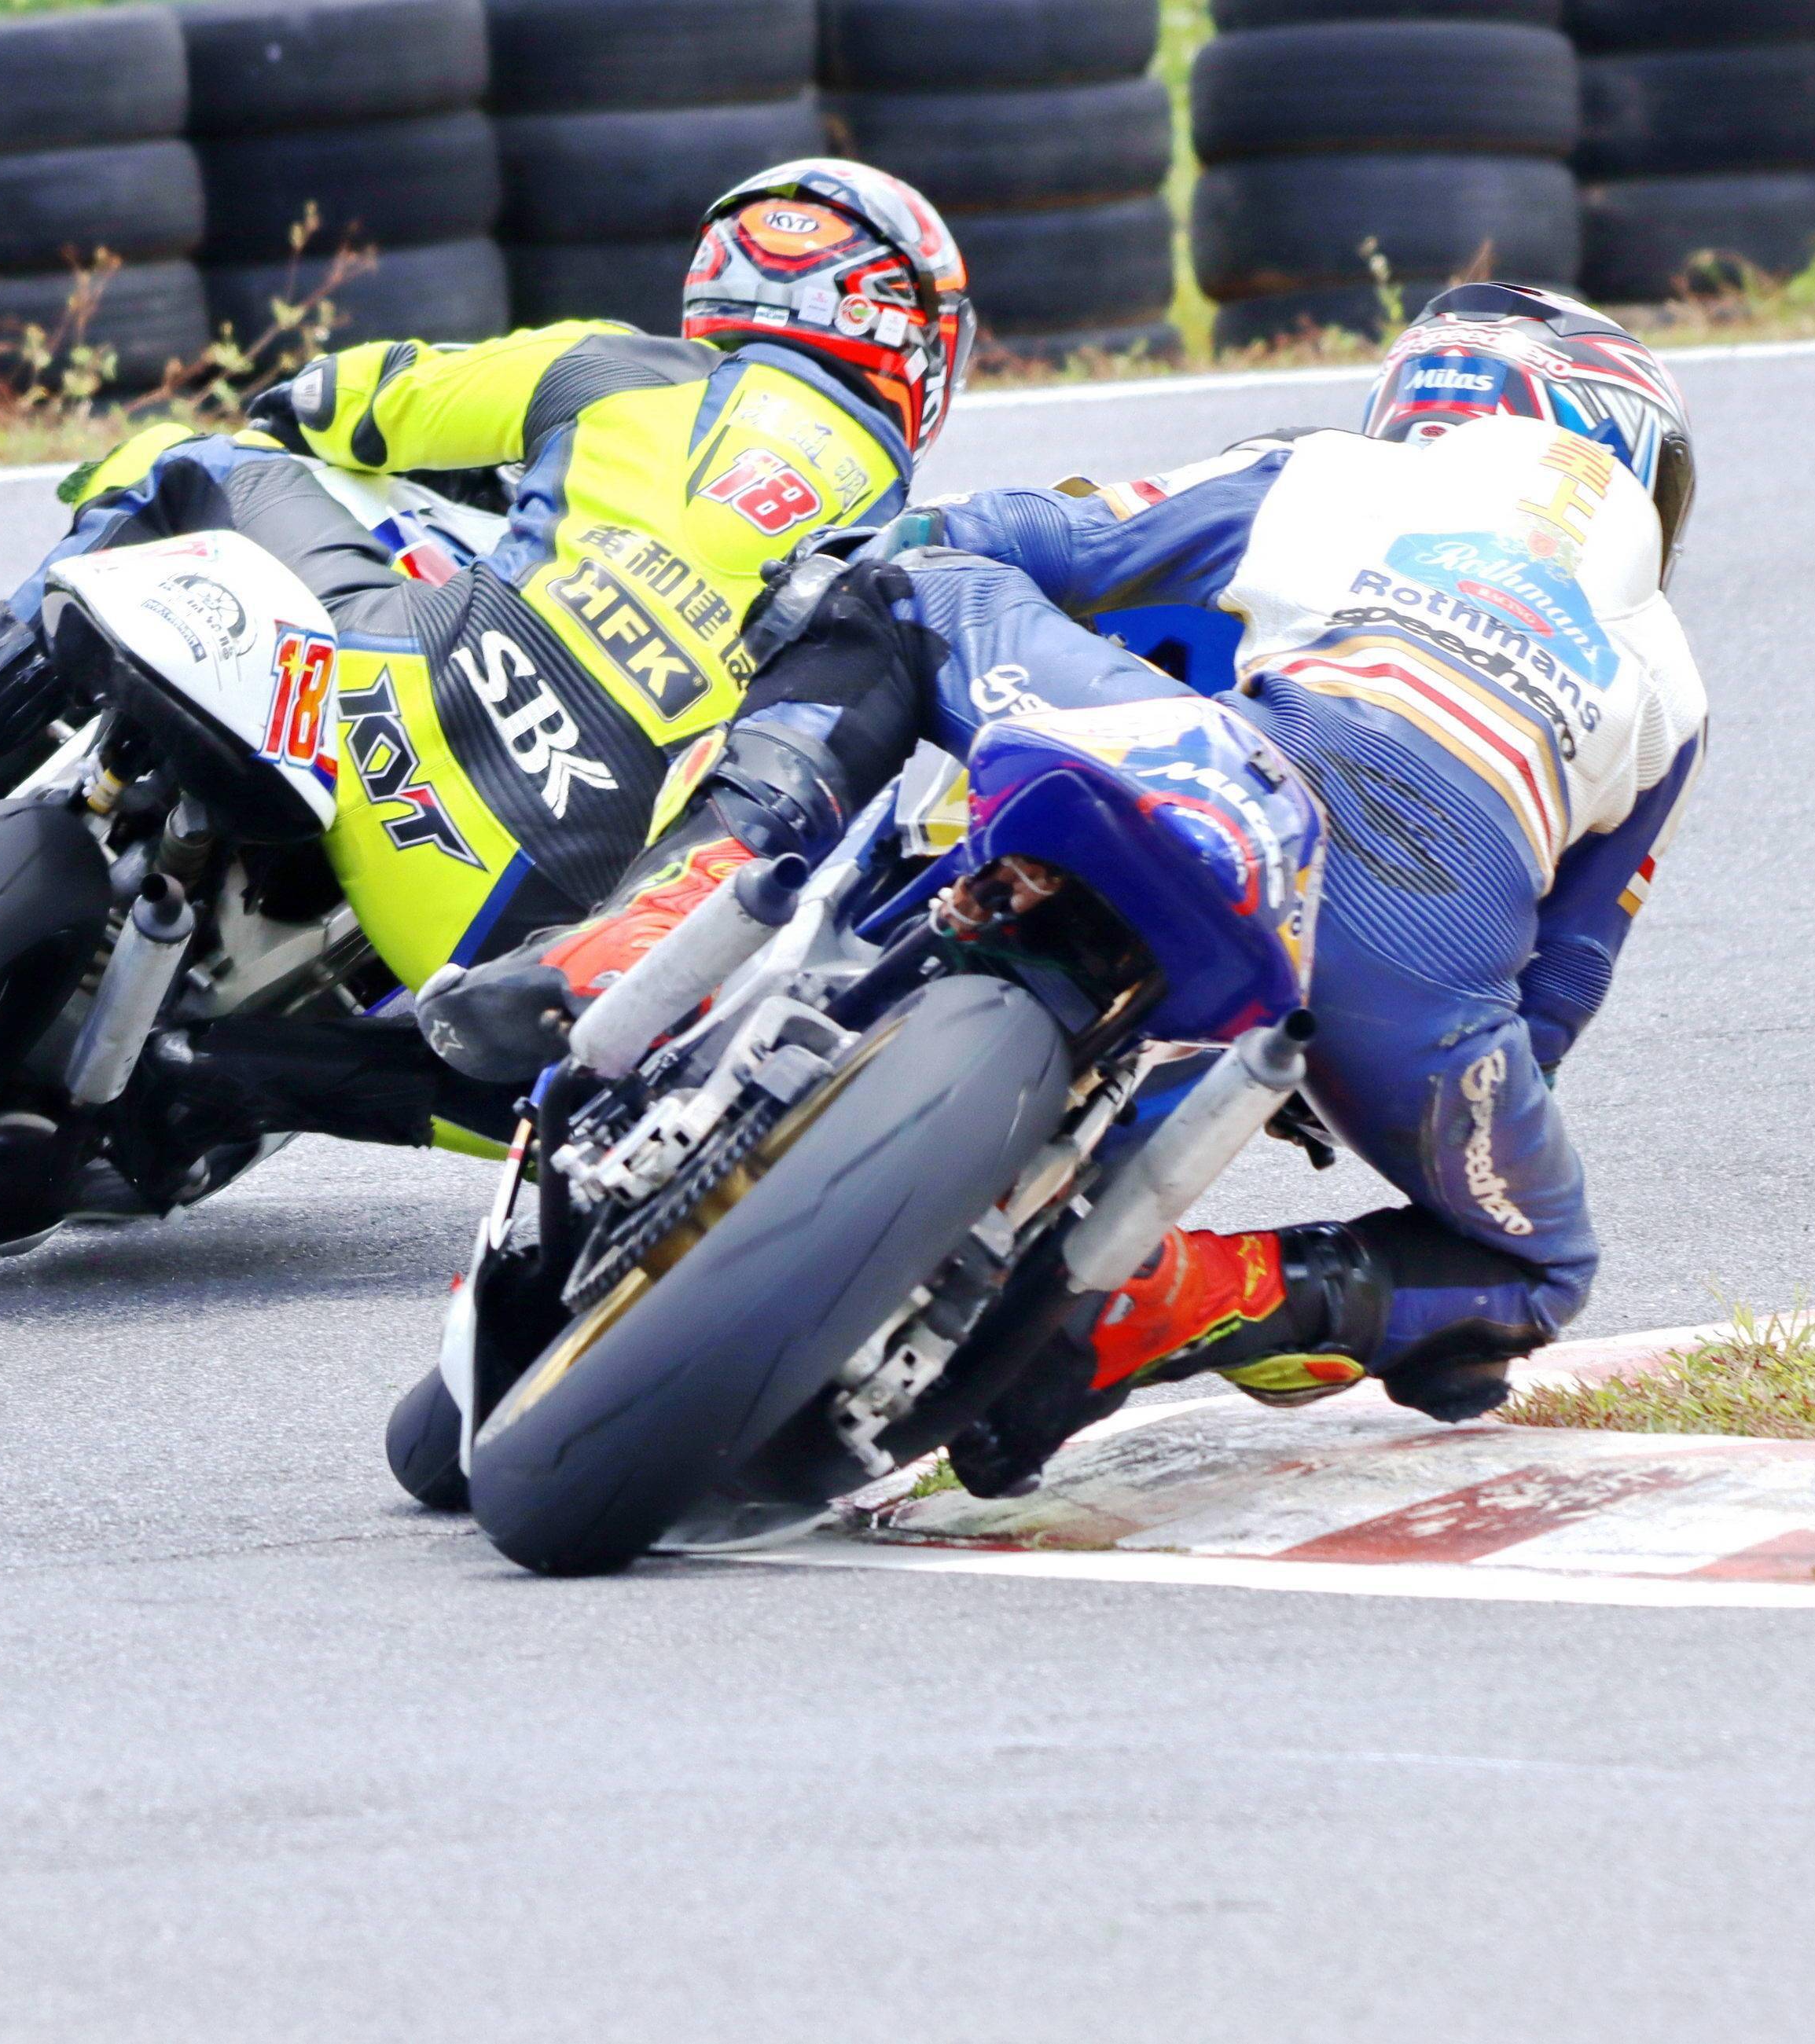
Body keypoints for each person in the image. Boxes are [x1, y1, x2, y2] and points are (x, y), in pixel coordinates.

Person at [427, 283, 1707, 1492]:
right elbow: (1561, 985)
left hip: (1230, 763)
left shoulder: (1337, 471)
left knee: (906, 592)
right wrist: (1365, 1075)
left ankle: (655, 921)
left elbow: (1058, 533)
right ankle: (1176, 1299)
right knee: (1539, 1263)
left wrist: (877, 554)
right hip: (1422, 957)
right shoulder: (1670, 677)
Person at [0, 158, 972, 998]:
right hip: (558, 943)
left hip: (384, 751)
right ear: (914, 343)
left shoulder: (619, 369)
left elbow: (338, 402)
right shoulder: (920, 556)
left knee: (189, 463)